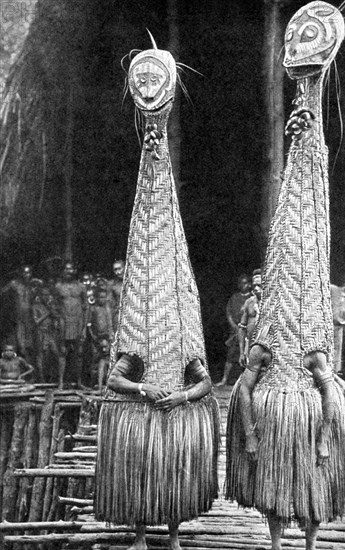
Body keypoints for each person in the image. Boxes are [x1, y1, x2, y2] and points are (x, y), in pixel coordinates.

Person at [226, 5, 345, 549]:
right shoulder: (264, 340)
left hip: (299, 412)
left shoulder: (315, 342)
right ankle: (276, 543)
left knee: (311, 490)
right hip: (275, 415)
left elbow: (329, 391)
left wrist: (325, 433)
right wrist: (249, 430)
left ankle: (310, 542)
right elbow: (244, 386)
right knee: (275, 492)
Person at [94, 43, 219, 550]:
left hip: (173, 412)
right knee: (146, 477)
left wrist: (184, 395)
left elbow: (206, 381)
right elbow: (115, 376)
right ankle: (143, 534)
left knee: (173, 478)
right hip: (147, 411)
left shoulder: (186, 327)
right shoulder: (136, 329)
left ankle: (170, 534)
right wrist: (145, 392)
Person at [54, 262, 87, 388]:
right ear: (63, 271)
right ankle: (61, 383)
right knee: (62, 352)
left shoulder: (81, 287)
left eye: (71, 269)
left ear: (75, 270)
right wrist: (58, 320)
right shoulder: (58, 287)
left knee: (79, 353)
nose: (69, 271)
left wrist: (84, 327)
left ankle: (79, 382)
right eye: (66, 269)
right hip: (64, 322)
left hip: (78, 322)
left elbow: (85, 307)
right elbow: (55, 305)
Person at [216, 273, 251, 386]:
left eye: (246, 283)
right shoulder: (235, 297)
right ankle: (224, 380)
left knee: (247, 355)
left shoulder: (251, 298)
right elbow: (229, 313)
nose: (244, 285)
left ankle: (245, 382)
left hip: (247, 331)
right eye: (242, 283)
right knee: (230, 355)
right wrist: (234, 326)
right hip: (235, 332)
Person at [0, 265, 35, 361]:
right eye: (25, 273)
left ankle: (28, 367)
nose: (27, 275)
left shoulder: (32, 285)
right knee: (19, 343)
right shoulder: (14, 284)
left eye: (29, 273)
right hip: (17, 317)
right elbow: (3, 292)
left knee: (30, 343)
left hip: (28, 317)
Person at [32, 286, 63, 384]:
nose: (45, 297)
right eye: (43, 295)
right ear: (40, 296)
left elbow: (57, 317)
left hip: (51, 333)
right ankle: (41, 378)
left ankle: (55, 377)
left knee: (56, 354)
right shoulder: (35, 307)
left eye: (47, 295)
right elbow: (36, 321)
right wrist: (47, 313)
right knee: (40, 355)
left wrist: (52, 310)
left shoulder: (50, 305)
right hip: (41, 332)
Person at [87, 288, 114, 388]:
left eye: (104, 297)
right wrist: (93, 336)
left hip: (106, 338)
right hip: (96, 338)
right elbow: (89, 324)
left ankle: (105, 383)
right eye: (100, 297)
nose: (102, 299)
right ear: (96, 298)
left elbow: (110, 323)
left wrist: (111, 336)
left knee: (106, 359)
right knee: (94, 359)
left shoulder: (107, 309)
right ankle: (93, 383)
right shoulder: (93, 309)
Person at [238, 269, 262, 367]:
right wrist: (242, 352)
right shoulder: (249, 302)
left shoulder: (270, 303)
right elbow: (242, 328)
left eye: (259, 285)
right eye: (254, 285)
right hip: (250, 346)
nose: (256, 288)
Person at [107, 260, 125, 332]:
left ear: (125, 267)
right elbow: (109, 306)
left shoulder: (133, 282)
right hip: (119, 316)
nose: (118, 272)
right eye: (115, 270)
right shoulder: (112, 285)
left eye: (120, 269)